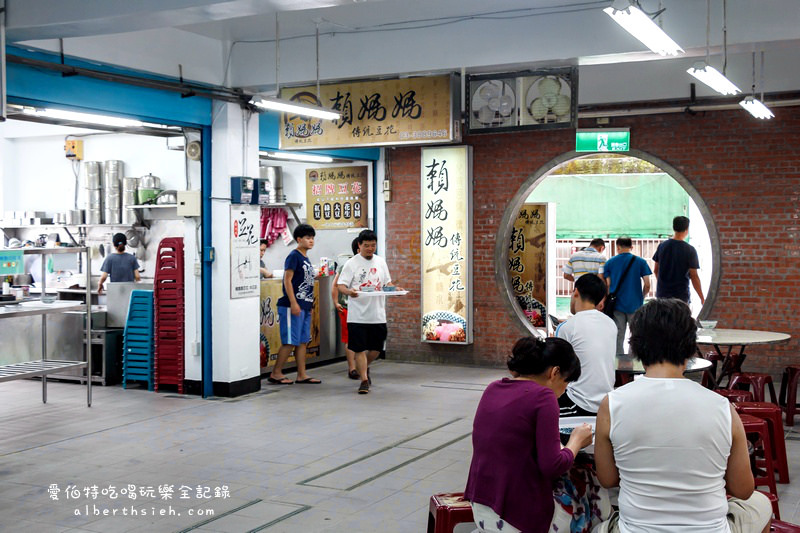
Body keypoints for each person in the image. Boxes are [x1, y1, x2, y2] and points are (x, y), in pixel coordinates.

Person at [593, 299, 771, 533]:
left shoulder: (612, 404)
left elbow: (607, 480)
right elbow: (743, 490)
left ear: (636, 346)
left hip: (635, 529)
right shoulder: (722, 407)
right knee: (760, 503)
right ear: (689, 347)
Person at [464, 336, 593, 533]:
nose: (564, 390)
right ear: (555, 372)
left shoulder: (494, 388)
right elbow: (553, 466)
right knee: (589, 498)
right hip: (516, 517)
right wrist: (576, 441)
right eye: (566, 382)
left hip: (481, 507)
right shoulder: (544, 397)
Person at [337, 229, 400, 394]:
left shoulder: (380, 262)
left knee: (376, 349)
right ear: (359, 245)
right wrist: (349, 292)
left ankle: (363, 367)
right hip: (357, 315)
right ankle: (364, 380)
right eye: (366, 246)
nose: (370, 248)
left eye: (373, 245)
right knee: (358, 349)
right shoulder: (352, 263)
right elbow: (341, 285)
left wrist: (395, 288)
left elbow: (387, 282)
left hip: (377, 314)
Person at [555, 273, 616, 417]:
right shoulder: (611, 324)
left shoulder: (568, 327)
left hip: (577, 402)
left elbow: (558, 371)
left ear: (576, 292)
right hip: (606, 403)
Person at [267, 224, 321, 385]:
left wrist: (308, 304)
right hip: (291, 306)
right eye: (308, 238)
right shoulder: (294, 256)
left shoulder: (305, 258)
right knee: (290, 341)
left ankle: (302, 374)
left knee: (303, 341)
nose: (311, 241)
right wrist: (293, 302)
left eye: (312, 238)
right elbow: (287, 279)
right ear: (299, 239)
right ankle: (276, 373)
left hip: (304, 306)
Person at [603, 236, 652, 354]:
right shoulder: (641, 262)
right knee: (635, 336)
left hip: (617, 305)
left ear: (618, 247)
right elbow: (647, 285)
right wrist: (642, 296)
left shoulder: (610, 262)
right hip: (635, 305)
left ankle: (619, 366)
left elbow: (608, 285)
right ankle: (633, 364)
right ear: (632, 247)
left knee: (618, 335)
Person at [652, 215, 704, 304]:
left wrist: (664, 286)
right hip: (681, 297)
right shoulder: (690, 250)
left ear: (674, 228)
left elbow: (656, 270)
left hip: (662, 297)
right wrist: (702, 298)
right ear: (686, 229)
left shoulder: (662, 246)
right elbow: (694, 276)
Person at [331, 238, 360, 379]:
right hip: (347, 306)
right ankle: (352, 368)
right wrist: (336, 302)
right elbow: (335, 285)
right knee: (350, 338)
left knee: (362, 338)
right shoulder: (346, 266)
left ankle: (362, 365)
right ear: (358, 248)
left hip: (363, 307)